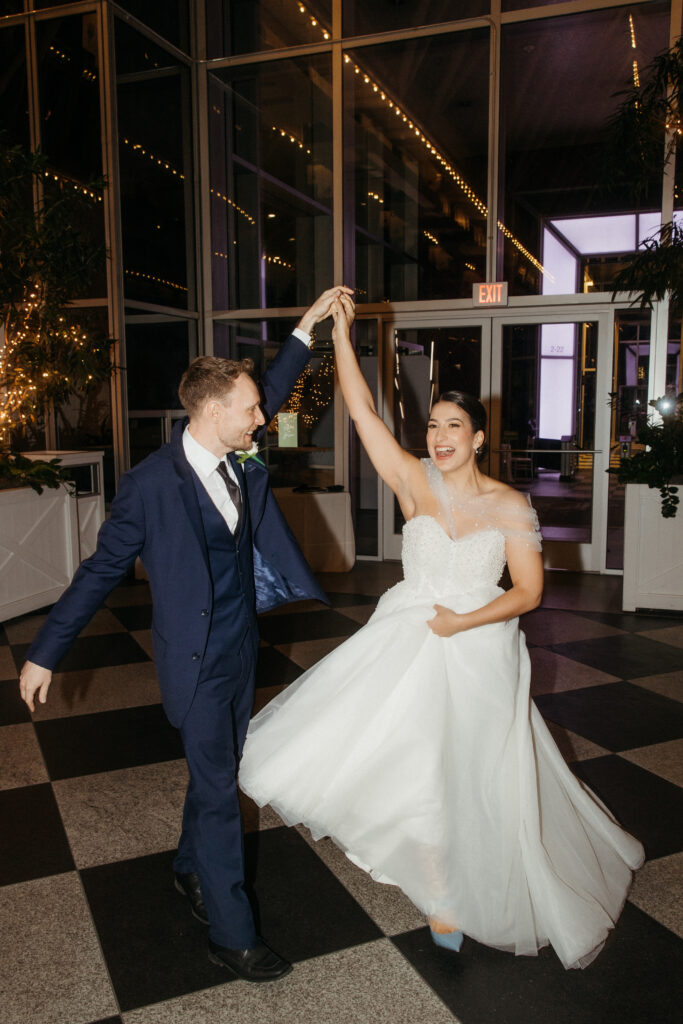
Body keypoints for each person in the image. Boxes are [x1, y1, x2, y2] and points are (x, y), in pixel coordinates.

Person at [238, 293, 645, 970]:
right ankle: (440, 896)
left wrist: (462, 619)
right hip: (407, 639)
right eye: (432, 425)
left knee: (474, 771)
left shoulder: (508, 504)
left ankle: (484, 866)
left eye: (453, 425)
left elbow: (529, 591)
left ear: (478, 438)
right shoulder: (410, 481)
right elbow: (363, 411)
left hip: (480, 646)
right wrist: (341, 334)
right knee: (414, 763)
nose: (439, 435)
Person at [18, 285, 353, 983]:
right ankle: (232, 935)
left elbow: (276, 382)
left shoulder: (240, 455)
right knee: (218, 794)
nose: (263, 417)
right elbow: (99, 570)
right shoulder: (149, 486)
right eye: (250, 408)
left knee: (215, 778)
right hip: (194, 664)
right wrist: (45, 653)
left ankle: (184, 866)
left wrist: (304, 329)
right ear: (207, 411)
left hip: (241, 647)